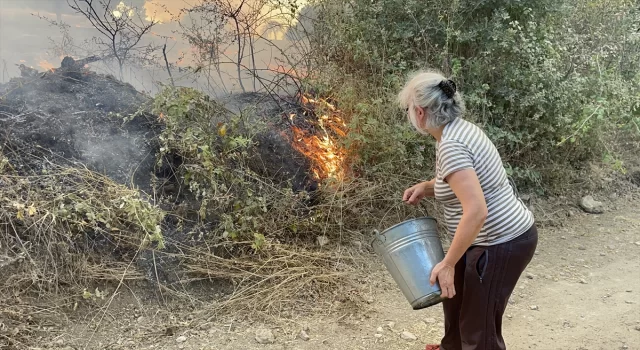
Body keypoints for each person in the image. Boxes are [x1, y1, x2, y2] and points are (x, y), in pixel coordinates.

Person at [398, 71, 538, 350]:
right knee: (456, 305)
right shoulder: (457, 130)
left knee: (479, 332)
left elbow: (476, 210)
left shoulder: (452, 145)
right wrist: (427, 187)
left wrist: (448, 263)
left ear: (421, 112)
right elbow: (467, 184)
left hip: (500, 242)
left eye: (408, 110)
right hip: (482, 240)